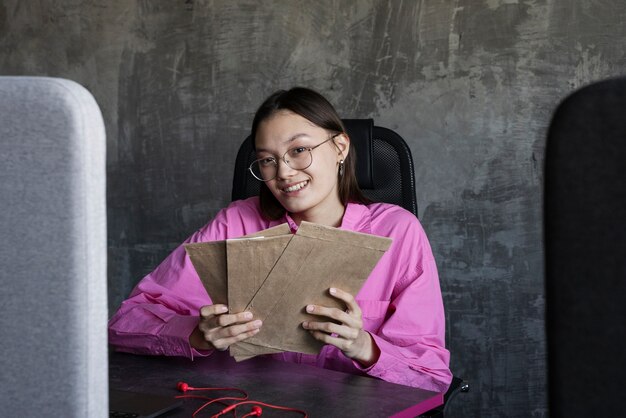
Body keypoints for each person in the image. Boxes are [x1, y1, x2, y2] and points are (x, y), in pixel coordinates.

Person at [108, 87, 452, 392]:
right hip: (248, 403)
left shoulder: (397, 232)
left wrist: (363, 346)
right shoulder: (236, 222)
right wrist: (198, 334)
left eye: (299, 150)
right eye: (267, 161)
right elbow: (124, 323)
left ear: (340, 147)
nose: (284, 172)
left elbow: (431, 375)